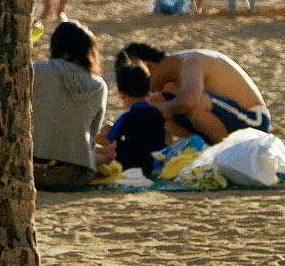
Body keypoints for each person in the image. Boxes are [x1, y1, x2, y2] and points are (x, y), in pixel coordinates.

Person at [120, 42, 272, 142]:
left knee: (193, 103)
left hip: (254, 120)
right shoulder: (169, 82)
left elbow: (189, 102)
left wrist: (152, 111)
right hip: (228, 120)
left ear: (148, 67)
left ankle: (226, 154)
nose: (146, 89)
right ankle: (204, 149)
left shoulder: (190, 61)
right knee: (157, 102)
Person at [31, 20, 108, 188]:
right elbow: (92, 134)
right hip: (73, 177)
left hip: (29, 173)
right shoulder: (98, 85)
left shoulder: (35, 71)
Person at [97, 59, 166, 175]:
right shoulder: (157, 113)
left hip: (131, 163)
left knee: (105, 130)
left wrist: (98, 136)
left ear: (122, 94)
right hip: (155, 161)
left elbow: (112, 139)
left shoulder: (127, 117)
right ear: (149, 89)